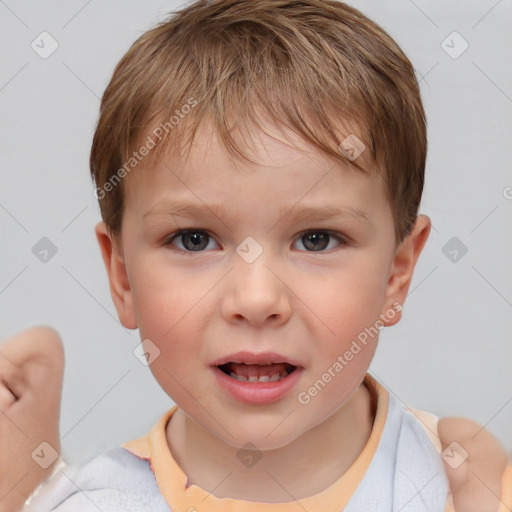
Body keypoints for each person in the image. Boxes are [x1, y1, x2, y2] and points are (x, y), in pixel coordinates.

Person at [1, 0, 510, 510]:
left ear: (397, 275)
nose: (256, 298)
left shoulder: (464, 489)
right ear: (123, 278)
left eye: (317, 239)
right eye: (194, 239)